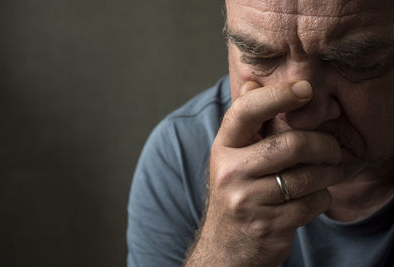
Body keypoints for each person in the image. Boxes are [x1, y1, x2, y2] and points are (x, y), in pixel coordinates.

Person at [127, 0, 394, 266]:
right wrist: (224, 254)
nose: (300, 117)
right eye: (260, 57)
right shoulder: (181, 155)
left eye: (356, 63)